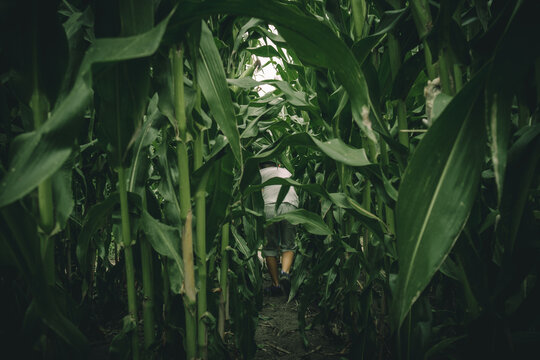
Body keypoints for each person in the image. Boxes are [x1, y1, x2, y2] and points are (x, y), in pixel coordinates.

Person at [259, 160, 299, 297]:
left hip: (268, 207)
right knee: (289, 244)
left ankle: (276, 285)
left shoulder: (258, 174)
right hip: (290, 205)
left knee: (270, 247)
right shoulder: (286, 172)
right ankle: (285, 273)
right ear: (277, 165)